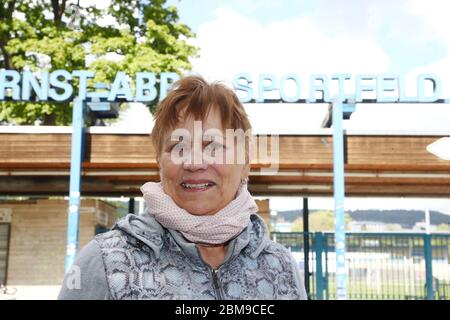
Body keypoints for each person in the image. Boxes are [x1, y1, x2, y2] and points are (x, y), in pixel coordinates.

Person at [58, 75, 307, 300]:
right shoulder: (106, 260)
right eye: (177, 147)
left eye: (212, 146)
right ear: (160, 163)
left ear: (245, 164)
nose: (194, 163)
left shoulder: (280, 266)